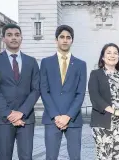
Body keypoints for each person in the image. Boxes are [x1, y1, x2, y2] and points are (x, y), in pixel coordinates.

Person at [0, 23, 40, 160]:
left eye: (17, 35)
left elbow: (36, 89)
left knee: (26, 157)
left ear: (21, 38)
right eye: (9, 35)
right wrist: (9, 114)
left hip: (26, 119)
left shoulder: (31, 61)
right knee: (4, 156)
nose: (14, 38)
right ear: (3, 38)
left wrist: (21, 112)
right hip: (4, 119)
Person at [40, 24, 87, 160]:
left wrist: (68, 116)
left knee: (75, 157)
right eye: (62, 37)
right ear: (56, 40)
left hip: (73, 119)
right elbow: (44, 90)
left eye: (68, 37)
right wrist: (56, 116)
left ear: (72, 40)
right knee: (51, 157)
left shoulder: (80, 64)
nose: (65, 40)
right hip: (51, 119)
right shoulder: (46, 63)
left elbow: (80, 93)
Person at [88, 43, 119, 160]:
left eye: (115, 53)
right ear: (103, 57)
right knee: (104, 157)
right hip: (104, 122)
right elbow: (95, 97)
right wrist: (116, 112)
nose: (112, 55)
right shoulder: (96, 74)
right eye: (108, 52)